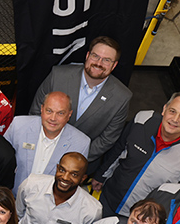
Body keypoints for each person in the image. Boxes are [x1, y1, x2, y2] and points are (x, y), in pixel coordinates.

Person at [93, 92, 180, 216]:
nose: (175, 119)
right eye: (172, 111)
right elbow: (119, 148)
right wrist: (101, 175)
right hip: (108, 198)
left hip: (143, 218)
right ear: (164, 109)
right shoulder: (143, 119)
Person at [29, 35, 132, 166]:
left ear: (114, 65)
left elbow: (107, 139)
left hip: (77, 165)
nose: (99, 63)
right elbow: (36, 112)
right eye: (95, 56)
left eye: (106, 60)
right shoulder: (58, 75)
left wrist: (73, 160)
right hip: (40, 152)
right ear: (87, 55)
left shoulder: (122, 97)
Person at [16, 153, 102, 224]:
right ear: (57, 168)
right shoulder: (31, 185)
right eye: (62, 170)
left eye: (74, 174)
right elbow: (18, 214)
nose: (65, 177)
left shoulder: (92, 210)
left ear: (82, 178)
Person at [4, 91, 90, 192]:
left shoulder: (81, 143)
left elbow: (73, 183)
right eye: (49, 111)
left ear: (69, 115)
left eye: (60, 113)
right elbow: (1, 162)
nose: (53, 118)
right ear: (41, 109)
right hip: (12, 196)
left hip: (49, 204)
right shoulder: (19, 125)